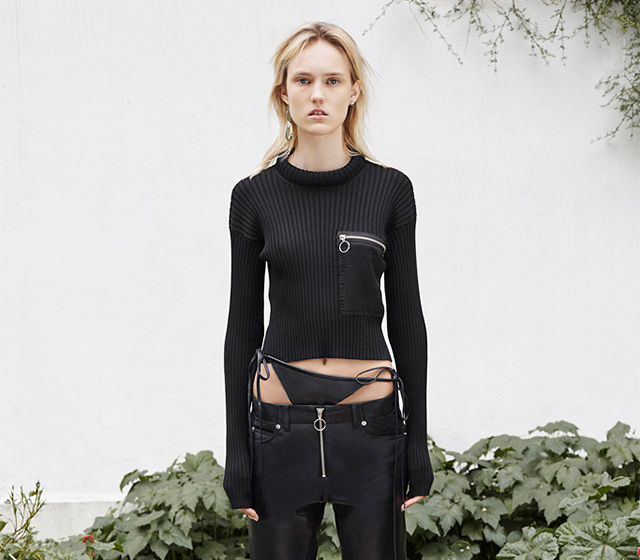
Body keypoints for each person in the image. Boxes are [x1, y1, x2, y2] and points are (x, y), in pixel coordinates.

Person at [223, 21, 433, 560]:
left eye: (333, 81)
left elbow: (407, 319)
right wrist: (237, 451)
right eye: (304, 80)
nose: (318, 94)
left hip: (371, 429)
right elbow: (242, 326)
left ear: (353, 91)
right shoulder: (253, 196)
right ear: (284, 93)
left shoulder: (390, 190)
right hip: (279, 430)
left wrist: (416, 442)